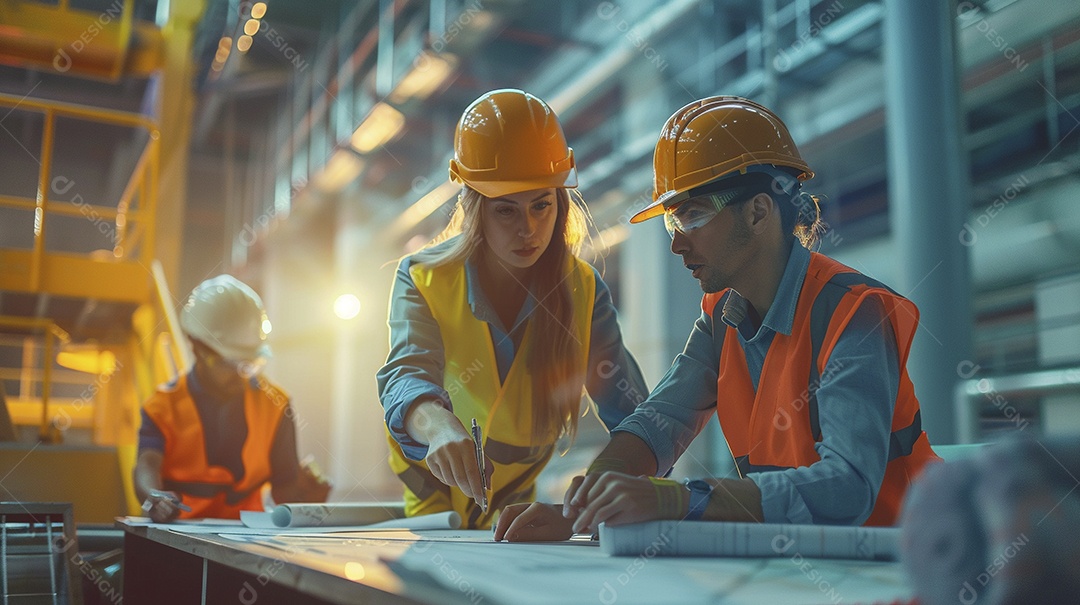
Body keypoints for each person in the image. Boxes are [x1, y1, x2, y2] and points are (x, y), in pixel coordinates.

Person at [495, 96, 940, 541]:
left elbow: (848, 487)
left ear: (758, 212)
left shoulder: (855, 314)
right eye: (673, 222)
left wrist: (677, 499)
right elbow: (661, 419)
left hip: (896, 566)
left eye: (693, 215)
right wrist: (584, 505)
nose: (677, 245)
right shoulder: (721, 315)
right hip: (798, 564)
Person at [377, 89, 648, 529]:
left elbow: (633, 414)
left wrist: (591, 502)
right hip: (433, 500)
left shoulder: (582, 290)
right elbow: (407, 373)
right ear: (475, 209)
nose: (528, 229)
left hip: (519, 510)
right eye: (506, 211)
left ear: (560, 202)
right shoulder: (424, 276)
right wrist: (437, 425)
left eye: (541, 205)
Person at [134, 275, 330, 522]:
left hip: (246, 539)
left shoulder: (275, 405)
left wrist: (307, 500)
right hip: (176, 535)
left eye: (248, 364)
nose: (240, 374)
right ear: (197, 347)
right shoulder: (162, 407)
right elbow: (147, 465)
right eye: (230, 363)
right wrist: (154, 496)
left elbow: (284, 489)